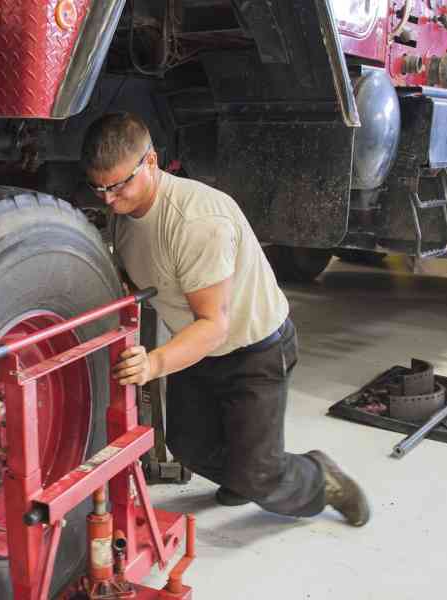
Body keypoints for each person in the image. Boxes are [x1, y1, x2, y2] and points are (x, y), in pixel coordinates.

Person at [81, 112, 370, 526]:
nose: (108, 199)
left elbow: (213, 325)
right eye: (99, 188)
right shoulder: (124, 215)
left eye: (119, 185)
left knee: (262, 478)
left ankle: (321, 480)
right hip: (199, 351)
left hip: (254, 352)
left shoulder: (197, 222)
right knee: (187, 447)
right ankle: (244, 470)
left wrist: (154, 364)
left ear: (151, 161)